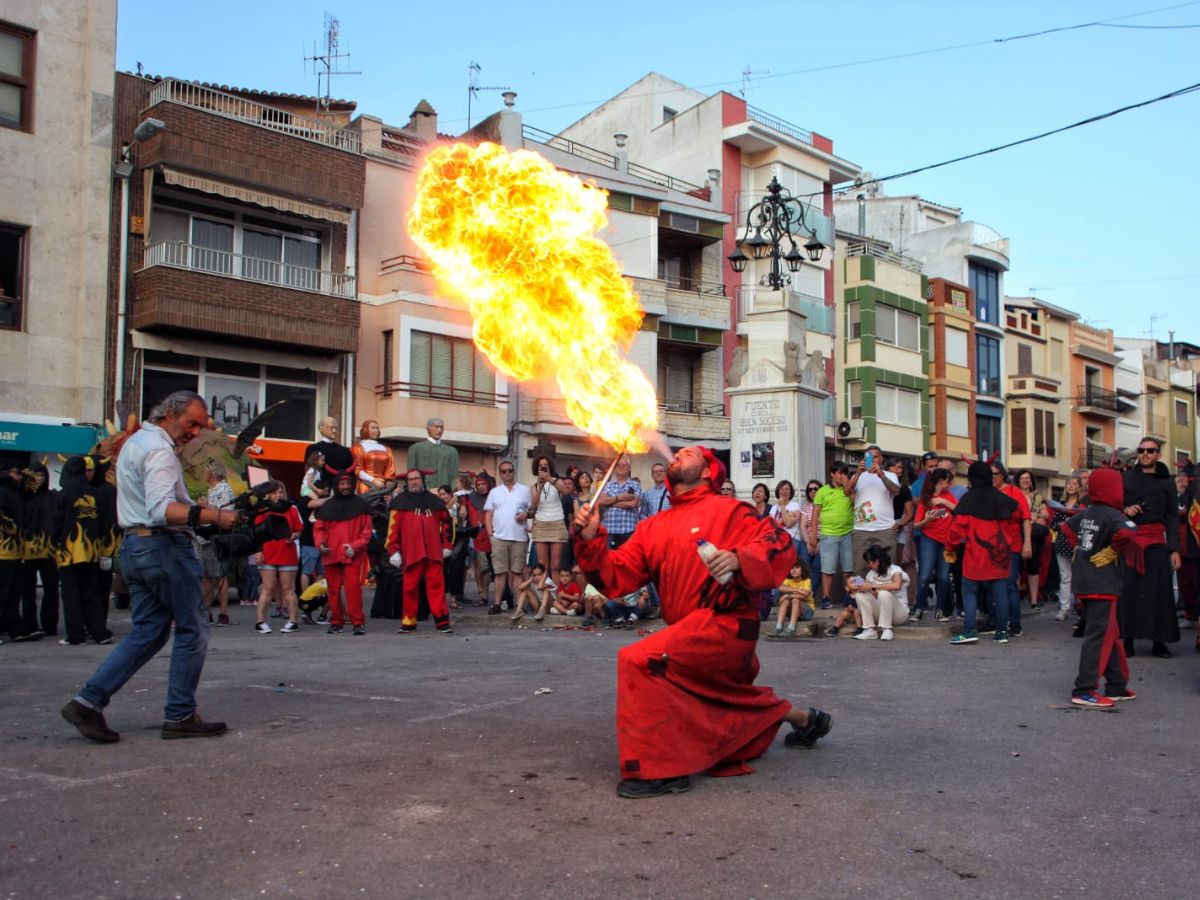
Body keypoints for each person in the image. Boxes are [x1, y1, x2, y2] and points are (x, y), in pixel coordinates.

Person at [573, 445, 832, 799]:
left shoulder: (732, 510)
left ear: (710, 471)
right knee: (720, 697)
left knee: (640, 660)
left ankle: (662, 769)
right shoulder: (653, 526)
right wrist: (590, 540)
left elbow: (780, 544)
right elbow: (614, 578)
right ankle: (803, 718)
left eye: (689, 453)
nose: (678, 455)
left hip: (727, 623)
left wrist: (741, 558)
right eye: (677, 453)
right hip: (687, 630)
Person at [61, 390, 238, 743]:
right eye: (191, 424)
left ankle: (87, 701)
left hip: (136, 545)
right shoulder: (159, 450)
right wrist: (216, 515)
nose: (194, 433)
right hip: (162, 545)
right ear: (169, 413)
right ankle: (180, 714)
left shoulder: (136, 443)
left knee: (149, 631)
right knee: (192, 629)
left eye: (199, 427)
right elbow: (162, 510)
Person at [1060, 468, 1136, 708]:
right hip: (1103, 582)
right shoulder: (1114, 515)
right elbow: (1130, 532)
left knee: (1109, 633)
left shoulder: (1088, 512)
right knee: (1099, 636)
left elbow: (1066, 528)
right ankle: (1084, 689)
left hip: (1084, 579)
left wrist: (1080, 550)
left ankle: (1116, 684)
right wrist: (1113, 550)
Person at [946, 462, 1022, 645]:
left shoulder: (968, 500)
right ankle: (1003, 632)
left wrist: (950, 548)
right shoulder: (1002, 498)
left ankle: (969, 630)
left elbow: (956, 530)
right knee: (1000, 592)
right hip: (1000, 552)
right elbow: (1016, 519)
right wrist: (1009, 542)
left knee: (970, 591)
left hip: (976, 554)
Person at [1120, 436, 1181, 658]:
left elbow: (1173, 517)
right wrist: (1125, 510)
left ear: (1158, 454)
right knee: (1129, 591)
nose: (1145, 453)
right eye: (1142, 450)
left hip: (1157, 541)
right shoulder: (1125, 478)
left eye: (1150, 450)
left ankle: (1160, 642)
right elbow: (1113, 506)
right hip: (1131, 540)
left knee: (1160, 593)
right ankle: (1127, 640)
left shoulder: (1167, 482)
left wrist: (1174, 549)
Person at [387, 468, 454, 633]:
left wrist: (447, 546)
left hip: (433, 552)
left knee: (437, 586)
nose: (414, 482)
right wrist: (393, 550)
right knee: (409, 588)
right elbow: (392, 529)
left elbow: (448, 524)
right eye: (410, 479)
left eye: (416, 479)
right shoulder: (399, 503)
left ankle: (442, 621)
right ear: (407, 482)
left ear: (422, 480)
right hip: (411, 552)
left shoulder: (436, 502)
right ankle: (408, 622)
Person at [55, 456, 111, 646]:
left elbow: (56, 525)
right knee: (92, 594)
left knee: (71, 596)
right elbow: (103, 524)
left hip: (69, 553)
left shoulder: (63, 495)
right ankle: (99, 633)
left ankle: (76, 636)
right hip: (92, 552)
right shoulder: (94, 495)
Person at [313, 470, 373, 635]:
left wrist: (355, 546)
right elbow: (319, 529)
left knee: (353, 588)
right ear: (336, 486)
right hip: (331, 553)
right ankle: (336, 621)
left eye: (347, 483)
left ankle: (357, 622)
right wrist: (321, 544)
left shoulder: (362, 506)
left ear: (353, 485)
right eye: (342, 484)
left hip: (352, 554)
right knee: (332, 590)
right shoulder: (328, 506)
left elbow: (366, 533)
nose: (345, 486)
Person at [251, 482, 303, 635]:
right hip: (268, 552)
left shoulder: (291, 508)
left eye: (280, 492)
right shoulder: (261, 510)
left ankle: (293, 621)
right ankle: (260, 621)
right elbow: (255, 533)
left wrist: (295, 535)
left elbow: (299, 529)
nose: (278, 495)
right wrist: (257, 551)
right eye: (274, 493)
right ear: (266, 495)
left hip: (287, 551)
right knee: (268, 588)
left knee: (289, 589)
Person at [483, 460, 531, 615]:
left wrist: (526, 515)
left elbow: (533, 510)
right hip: (499, 537)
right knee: (499, 573)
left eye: (510, 470)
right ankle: (497, 604)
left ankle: (519, 604)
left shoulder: (524, 490)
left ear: (514, 471)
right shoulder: (494, 492)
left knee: (517, 573)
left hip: (519, 537)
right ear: (500, 473)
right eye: (504, 471)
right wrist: (491, 534)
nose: (507, 473)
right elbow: (488, 514)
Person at [991, 462, 1032, 637]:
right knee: (991, 585)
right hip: (991, 546)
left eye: (996, 474)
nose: (993, 478)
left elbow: (1026, 518)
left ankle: (1015, 623)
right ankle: (995, 621)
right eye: (990, 474)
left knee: (1009, 585)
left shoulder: (1014, 492)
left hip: (1012, 544)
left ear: (1002, 475)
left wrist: (1027, 543)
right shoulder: (987, 493)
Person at [912, 469, 958, 622]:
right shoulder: (926, 499)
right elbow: (916, 524)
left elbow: (959, 511)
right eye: (947, 481)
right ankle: (919, 608)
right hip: (929, 539)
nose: (949, 484)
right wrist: (927, 520)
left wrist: (944, 502)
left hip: (948, 542)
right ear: (940, 481)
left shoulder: (949, 496)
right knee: (925, 575)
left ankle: (941, 610)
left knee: (944, 577)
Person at [19, 462, 58, 639]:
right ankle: (29, 623)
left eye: (42, 475)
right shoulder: (23, 497)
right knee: (27, 589)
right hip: (27, 549)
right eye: (36, 475)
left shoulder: (53, 497)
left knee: (50, 588)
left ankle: (49, 624)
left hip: (49, 550)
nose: (39, 479)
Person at [197, 460, 235, 627]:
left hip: (216, 537)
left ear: (211, 473)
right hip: (204, 537)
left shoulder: (224, 490)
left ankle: (223, 613)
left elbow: (224, 514)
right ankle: (207, 612)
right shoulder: (213, 490)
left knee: (219, 575)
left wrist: (205, 507)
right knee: (206, 576)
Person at [848, 444, 901, 565]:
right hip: (861, 529)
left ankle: (885, 585)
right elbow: (847, 492)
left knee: (887, 568)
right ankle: (863, 585)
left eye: (875, 457)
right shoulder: (858, 476)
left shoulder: (890, 475)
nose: (872, 460)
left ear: (881, 459)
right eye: (868, 458)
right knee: (860, 568)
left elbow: (896, 491)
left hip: (885, 529)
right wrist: (857, 473)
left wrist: (881, 475)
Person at [812, 462, 855, 610]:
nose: (842, 476)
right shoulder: (822, 491)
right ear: (832, 474)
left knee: (848, 567)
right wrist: (813, 536)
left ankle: (849, 594)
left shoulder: (849, 490)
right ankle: (826, 597)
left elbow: (856, 503)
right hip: (828, 534)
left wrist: (848, 488)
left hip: (848, 533)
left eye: (845, 473)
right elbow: (815, 513)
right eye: (839, 473)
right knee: (827, 568)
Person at [1, 459, 32, 643]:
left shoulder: (15, 493)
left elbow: (33, 494)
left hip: (14, 552)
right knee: (4, 593)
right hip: (4, 552)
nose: (18, 476)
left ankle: (16, 629)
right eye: (15, 473)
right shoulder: (3, 492)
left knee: (13, 594)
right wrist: (12, 528)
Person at [1049, 475, 1086, 622]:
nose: (1071, 486)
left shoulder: (1083, 505)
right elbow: (1052, 524)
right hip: (1062, 542)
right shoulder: (1060, 505)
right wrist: (1062, 523)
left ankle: (1080, 606)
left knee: (1079, 576)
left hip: (1078, 544)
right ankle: (1064, 608)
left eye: (1074, 483)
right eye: (1069, 483)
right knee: (1065, 576)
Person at [852, 545, 910, 641]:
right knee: (860, 595)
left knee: (884, 593)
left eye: (868, 561)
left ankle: (887, 629)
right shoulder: (870, 574)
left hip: (899, 614)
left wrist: (873, 587)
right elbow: (873, 595)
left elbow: (897, 585)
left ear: (877, 561)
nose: (867, 564)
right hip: (881, 612)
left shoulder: (895, 570)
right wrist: (864, 588)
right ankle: (869, 630)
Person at [528, 456, 569, 575]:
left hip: (557, 523)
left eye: (545, 465)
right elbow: (533, 506)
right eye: (541, 466)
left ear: (550, 467)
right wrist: (540, 487)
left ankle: (556, 592)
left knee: (556, 565)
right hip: (541, 524)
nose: (543, 467)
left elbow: (565, 492)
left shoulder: (557, 481)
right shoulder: (534, 486)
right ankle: (546, 592)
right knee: (543, 565)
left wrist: (549, 479)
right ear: (537, 468)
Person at [1015, 470, 1048, 608]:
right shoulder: (1014, 495)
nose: (1025, 481)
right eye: (1022, 478)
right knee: (1016, 567)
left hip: (1034, 536)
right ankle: (1014, 598)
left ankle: (1034, 600)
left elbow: (1045, 514)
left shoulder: (1038, 496)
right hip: (1018, 534)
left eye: (1027, 478)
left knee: (1033, 568)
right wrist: (1031, 518)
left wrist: (1035, 517)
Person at [596, 454, 642, 549]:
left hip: (628, 531)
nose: (621, 467)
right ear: (615, 468)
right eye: (619, 465)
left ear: (629, 468)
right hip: (609, 530)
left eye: (624, 465)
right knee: (608, 561)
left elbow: (633, 503)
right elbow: (600, 501)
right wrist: (620, 497)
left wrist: (610, 502)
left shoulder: (635, 485)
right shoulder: (607, 485)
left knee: (627, 562)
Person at [439, 482, 473, 609]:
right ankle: (442, 599)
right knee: (442, 572)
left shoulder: (459, 506)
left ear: (450, 494)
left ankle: (453, 599)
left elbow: (463, 522)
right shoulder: (439, 508)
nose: (442, 497)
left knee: (456, 572)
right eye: (440, 494)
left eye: (444, 494)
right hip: (443, 542)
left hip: (459, 541)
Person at [406, 417, 460, 497]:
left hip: (445, 498)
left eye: (441, 427)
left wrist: (448, 492)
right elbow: (411, 475)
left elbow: (455, 476)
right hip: (422, 496)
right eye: (436, 427)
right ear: (428, 429)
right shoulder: (415, 449)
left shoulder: (452, 451)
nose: (439, 430)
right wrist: (425, 490)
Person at [466, 472, 494, 607]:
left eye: (483, 484)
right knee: (482, 568)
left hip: (494, 535)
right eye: (478, 485)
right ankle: (484, 596)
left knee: (499, 568)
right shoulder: (471, 498)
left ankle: (505, 597)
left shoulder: (494, 497)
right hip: (478, 536)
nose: (481, 487)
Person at [351, 419, 397, 493]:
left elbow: (390, 469)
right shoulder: (357, 448)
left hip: (383, 486)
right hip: (366, 485)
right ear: (365, 430)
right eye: (373, 428)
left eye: (377, 428)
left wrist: (386, 482)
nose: (376, 430)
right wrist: (373, 480)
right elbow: (357, 469)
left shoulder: (387, 449)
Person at [304, 416, 354, 483]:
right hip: (318, 487)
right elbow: (308, 471)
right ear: (321, 428)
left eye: (336, 428)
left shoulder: (345, 451)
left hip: (341, 488)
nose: (334, 431)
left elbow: (350, 473)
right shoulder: (313, 449)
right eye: (331, 427)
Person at [771, 559, 813, 637]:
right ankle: (778, 627)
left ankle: (791, 628)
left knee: (795, 600)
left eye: (797, 567)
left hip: (806, 612)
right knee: (786, 601)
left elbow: (805, 595)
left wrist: (789, 595)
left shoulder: (807, 581)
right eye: (791, 567)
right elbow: (780, 588)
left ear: (802, 569)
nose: (794, 570)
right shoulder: (788, 581)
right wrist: (797, 590)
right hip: (792, 612)